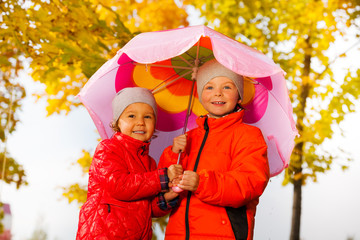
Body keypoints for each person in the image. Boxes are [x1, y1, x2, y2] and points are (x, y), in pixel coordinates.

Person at [158, 59, 270, 240]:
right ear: (200, 95)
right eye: (209, 87)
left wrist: (201, 183)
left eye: (227, 87)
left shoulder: (249, 135)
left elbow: (249, 183)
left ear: (239, 95)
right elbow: (164, 188)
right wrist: (173, 155)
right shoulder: (189, 138)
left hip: (222, 234)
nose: (218, 93)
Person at [76, 87, 182, 240]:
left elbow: (147, 208)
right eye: (131, 116)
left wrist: (166, 198)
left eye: (148, 117)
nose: (140, 122)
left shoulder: (150, 162)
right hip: (104, 233)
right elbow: (119, 186)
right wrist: (162, 177)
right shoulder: (108, 148)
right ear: (118, 122)